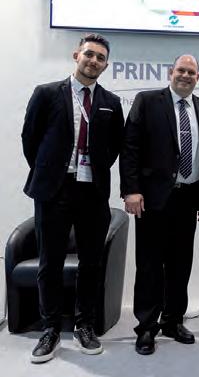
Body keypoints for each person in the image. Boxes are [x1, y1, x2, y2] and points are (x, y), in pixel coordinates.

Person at [22, 34, 124, 363]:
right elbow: (30, 138)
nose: (94, 61)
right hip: (54, 189)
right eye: (89, 54)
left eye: (100, 58)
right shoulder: (47, 93)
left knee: (91, 263)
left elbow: (114, 146)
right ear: (76, 55)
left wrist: (93, 168)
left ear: (105, 65)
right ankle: (50, 328)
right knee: (49, 262)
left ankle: (84, 325)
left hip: (92, 191)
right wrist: (51, 171)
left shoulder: (111, 102)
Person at [120, 54, 199, 355]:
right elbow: (130, 147)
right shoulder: (147, 101)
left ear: (198, 78)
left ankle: (173, 321)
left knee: (180, 263)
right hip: (152, 199)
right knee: (149, 265)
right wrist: (131, 190)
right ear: (170, 73)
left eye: (192, 72)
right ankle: (146, 327)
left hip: (189, 198)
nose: (186, 76)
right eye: (181, 70)